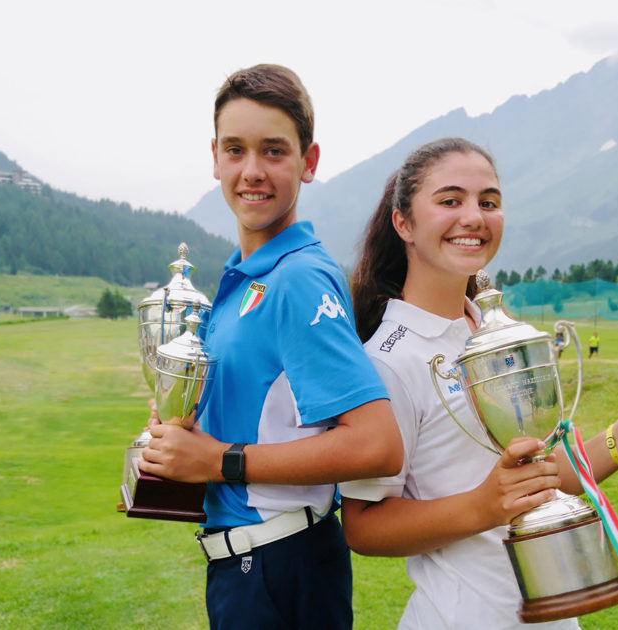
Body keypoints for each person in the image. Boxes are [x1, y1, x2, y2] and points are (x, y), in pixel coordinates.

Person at [340, 138, 618, 630]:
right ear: (403, 222)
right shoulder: (388, 358)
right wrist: (482, 505)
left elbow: (539, 480)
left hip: (553, 614)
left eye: (488, 202)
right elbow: (362, 525)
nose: (474, 217)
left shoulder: (499, 333)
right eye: (450, 201)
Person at [138, 64, 403, 630]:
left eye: (273, 151)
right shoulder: (241, 279)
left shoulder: (298, 277)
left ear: (308, 163)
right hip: (248, 567)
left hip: (283, 565)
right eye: (235, 150)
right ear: (214, 157)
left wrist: (219, 459)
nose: (251, 171)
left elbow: (378, 444)